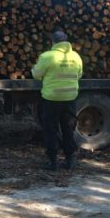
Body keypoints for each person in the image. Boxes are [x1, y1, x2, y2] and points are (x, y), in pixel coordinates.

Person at [32, 30, 83, 171]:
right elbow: (79, 74)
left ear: (53, 42)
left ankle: (53, 162)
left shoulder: (47, 56)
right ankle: (70, 160)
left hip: (51, 99)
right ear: (67, 42)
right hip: (70, 99)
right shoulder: (76, 56)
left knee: (51, 130)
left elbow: (36, 74)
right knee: (68, 130)